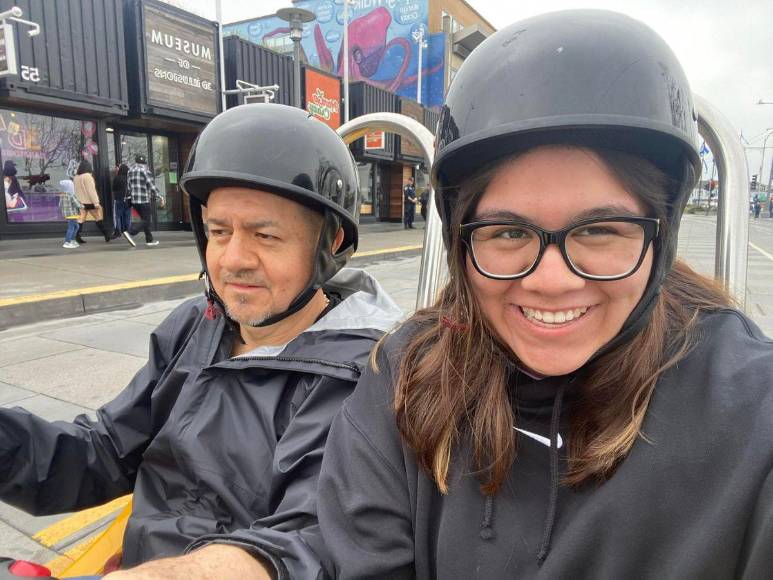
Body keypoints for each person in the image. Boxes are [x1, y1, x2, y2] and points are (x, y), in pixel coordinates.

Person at [317, 10, 773, 579]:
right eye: (508, 232)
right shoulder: (404, 380)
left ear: (661, 234)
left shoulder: (751, 414)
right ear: (461, 242)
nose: (552, 280)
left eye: (599, 230)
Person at [0, 104, 402, 579]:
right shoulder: (198, 325)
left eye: (266, 235)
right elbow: (107, 448)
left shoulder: (362, 374)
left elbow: (310, 541)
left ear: (330, 243)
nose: (233, 260)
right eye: (218, 231)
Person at [126, 154, 165, 246]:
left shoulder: (130, 171)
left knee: (144, 219)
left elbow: (128, 186)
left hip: (134, 201)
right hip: (144, 200)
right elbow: (151, 185)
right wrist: (160, 196)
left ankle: (149, 240)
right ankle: (131, 231)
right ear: (144, 162)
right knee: (146, 220)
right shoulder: (145, 170)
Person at [73, 159, 112, 243]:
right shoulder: (88, 176)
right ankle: (107, 234)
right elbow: (91, 191)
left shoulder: (76, 177)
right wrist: (96, 202)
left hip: (80, 201)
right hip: (90, 202)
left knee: (81, 219)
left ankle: (77, 235)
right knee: (98, 217)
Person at [112, 163, 135, 246]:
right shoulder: (129, 178)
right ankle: (128, 230)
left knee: (117, 216)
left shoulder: (117, 178)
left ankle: (118, 231)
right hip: (128, 199)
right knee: (127, 215)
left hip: (118, 199)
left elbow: (113, 188)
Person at [59, 178, 81, 249]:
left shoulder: (62, 196)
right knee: (72, 227)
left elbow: (60, 205)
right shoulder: (71, 195)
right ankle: (67, 242)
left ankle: (72, 240)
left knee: (76, 226)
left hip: (67, 215)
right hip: (72, 214)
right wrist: (83, 206)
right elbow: (77, 204)